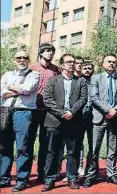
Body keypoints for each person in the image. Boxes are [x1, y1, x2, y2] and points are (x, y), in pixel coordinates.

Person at [41, 54, 87, 192]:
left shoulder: (81, 81)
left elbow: (83, 98)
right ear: (62, 65)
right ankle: (50, 179)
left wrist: (72, 112)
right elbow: (47, 99)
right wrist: (62, 112)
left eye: (73, 62)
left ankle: (72, 178)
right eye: (69, 62)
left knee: (73, 151)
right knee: (52, 151)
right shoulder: (53, 80)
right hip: (54, 121)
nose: (72, 64)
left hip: (74, 121)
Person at [0, 51, 40, 191]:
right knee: (4, 146)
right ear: (14, 60)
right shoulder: (7, 74)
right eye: (19, 58)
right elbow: (1, 92)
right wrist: (18, 90)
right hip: (5, 111)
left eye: (24, 58)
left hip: (23, 112)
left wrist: (9, 87)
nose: (21, 60)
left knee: (23, 147)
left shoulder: (34, 74)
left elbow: (28, 89)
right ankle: (4, 178)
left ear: (28, 60)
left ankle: (22, 179)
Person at [84, 55, 117, 187]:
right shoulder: (95, 78)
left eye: (114, 62)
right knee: (94, 149)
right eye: (109, 61)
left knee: (113, 148)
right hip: (98, 118)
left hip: (115, 118)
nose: (111, 64)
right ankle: (91, 175)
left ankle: (111, 175)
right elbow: (94, 97)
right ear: (103, 63)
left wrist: (115, 110)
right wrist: (107, 110)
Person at [29, 43, 61, 183]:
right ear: (41, 53)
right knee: (28, 142)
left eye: (52, 51)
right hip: (31, 109)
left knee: (46, 143)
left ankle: (43, 173)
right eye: (47, 51)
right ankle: (26, 175)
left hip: (48, 111)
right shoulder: (32, 68)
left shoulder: (56, 70)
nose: (50, 53)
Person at [77, 61, 94, 177]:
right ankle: (79, 167)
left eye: (89, 68)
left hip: (93, 117)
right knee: (78, 144)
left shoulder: (95, 81)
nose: (87, 70)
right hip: (79, 117)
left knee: (93, 145)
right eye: (85, 68)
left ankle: (92, 169)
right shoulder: (77, 81)